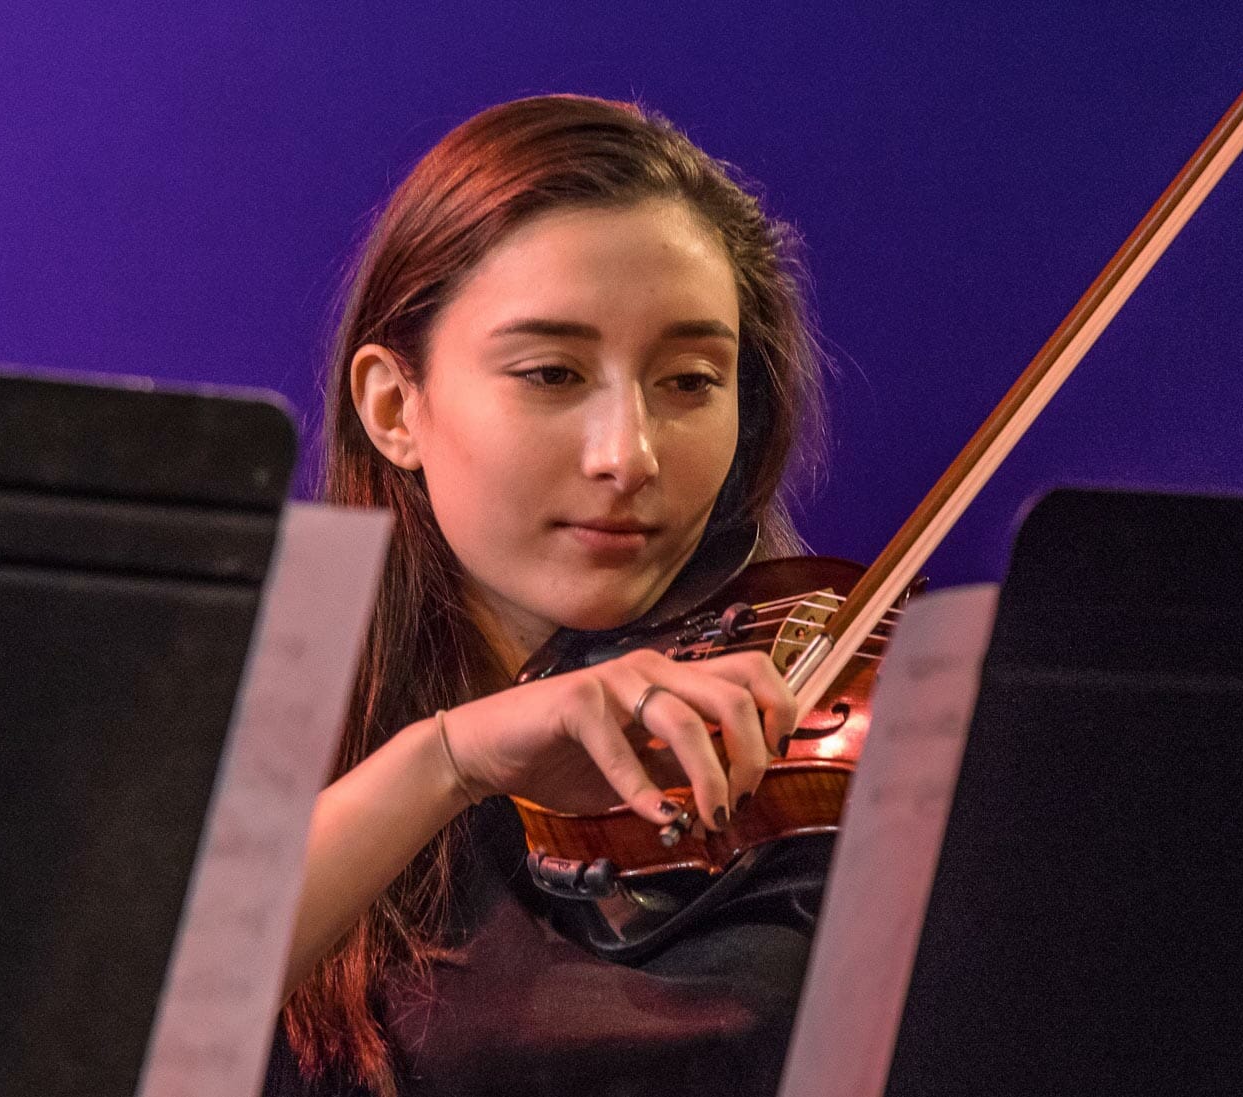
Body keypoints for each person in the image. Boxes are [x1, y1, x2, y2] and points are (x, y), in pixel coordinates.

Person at [266, 94, 829, 1097]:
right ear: (395, 406)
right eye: (552, 372)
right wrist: (445, 757)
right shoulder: (242, 713)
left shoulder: (824, 760)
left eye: (691, 381)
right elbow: (100, 1008)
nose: (629, 454)